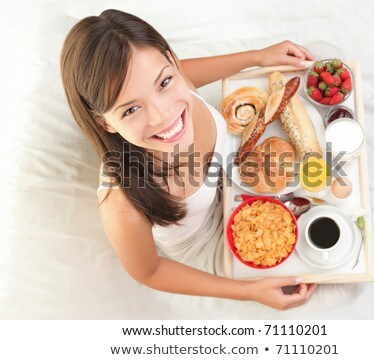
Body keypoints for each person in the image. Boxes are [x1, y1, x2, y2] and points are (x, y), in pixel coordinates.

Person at [60, 8, 320, 310]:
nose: (164, 116)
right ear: (104, 123)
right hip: (206, 239)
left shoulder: (178, 81)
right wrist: (249, 291)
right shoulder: (122, 205)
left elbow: (186, 72)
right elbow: (150, 271)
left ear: (171, 61)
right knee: (321, 290)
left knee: (320, 55)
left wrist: (258, 57)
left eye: (164, 82)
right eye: (131, 110)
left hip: (235, 178)